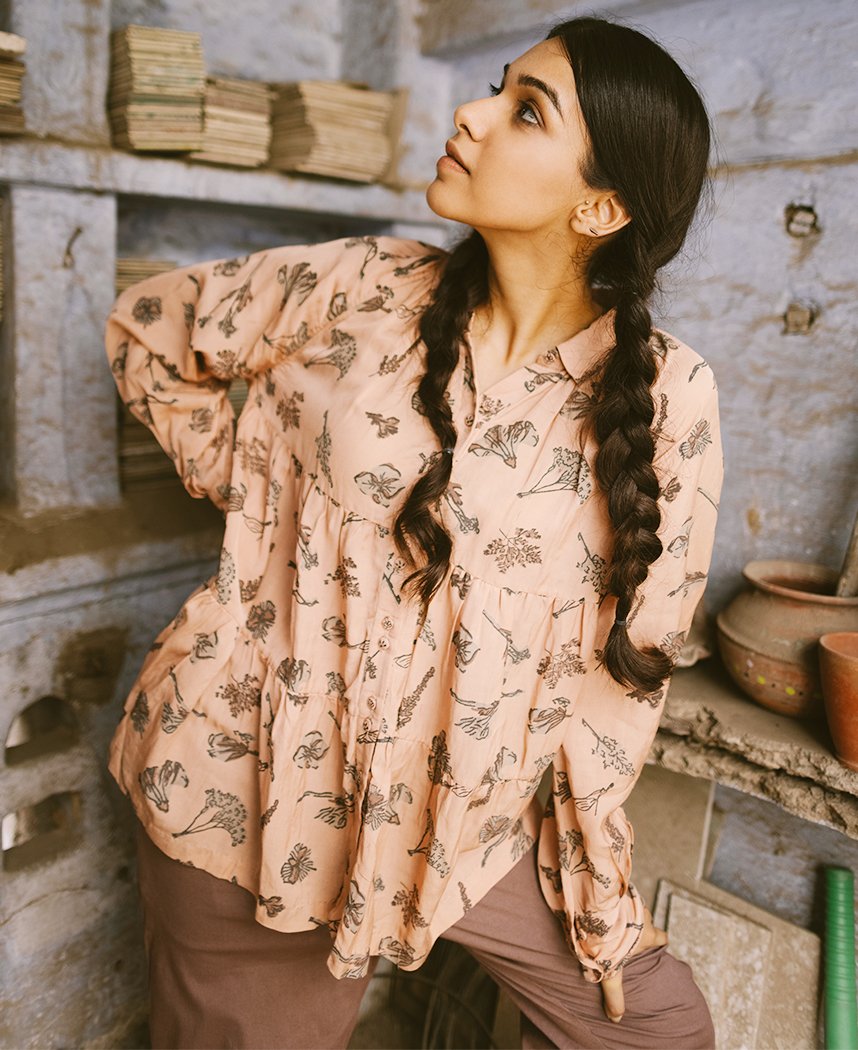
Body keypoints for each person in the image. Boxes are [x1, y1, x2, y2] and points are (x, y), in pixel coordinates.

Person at [106, 14, 723, 1050]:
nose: (471, 115)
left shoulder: (669, 394)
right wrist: (258, 498)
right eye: (497, 87)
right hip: (257, 780)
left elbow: (627, 678)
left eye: (527, 111)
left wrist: (599, 895)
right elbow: (152, 331)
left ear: (602, 205)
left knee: (659, 1029)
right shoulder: (367, 286)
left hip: (473, 819)